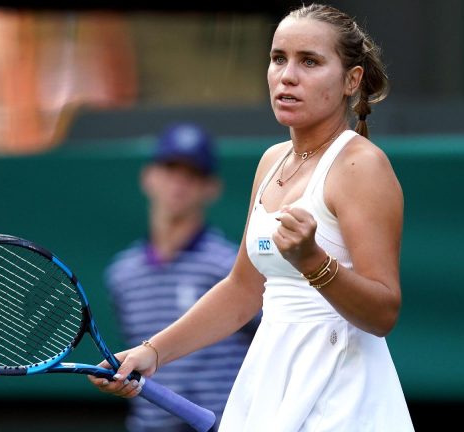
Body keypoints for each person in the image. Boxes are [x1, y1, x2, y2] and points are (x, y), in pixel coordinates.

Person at [90, 4, 415, 430]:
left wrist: (313, 262)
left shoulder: (362, 167)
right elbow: (243, 290)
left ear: (351, 81)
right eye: (278, 58)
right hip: (270, 383)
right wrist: (152, 352)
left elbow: (382, 313)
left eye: (310, 62)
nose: (288, 75)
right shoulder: (271, 161)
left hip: (342, 398)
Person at [103, 122, 256, 431]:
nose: (179, 183)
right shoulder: (122, 275)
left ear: (211, 188)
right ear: (149, 178)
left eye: (193, 174)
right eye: (171, 169)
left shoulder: (230, 269)